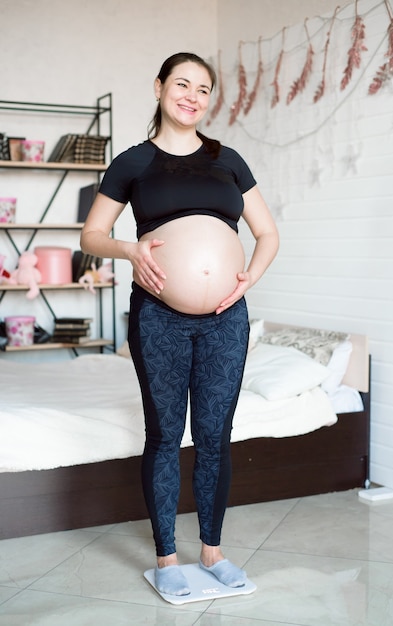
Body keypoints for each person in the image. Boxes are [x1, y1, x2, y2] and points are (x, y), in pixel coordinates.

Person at [80, 51, 279, 597]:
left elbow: (267, 234)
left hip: (225, 320)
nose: (193, 95)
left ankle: (212, 552)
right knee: (166, 435)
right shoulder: (133, 162)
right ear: (160, 87)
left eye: (204, 88)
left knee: (216, 436)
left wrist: (247, 279)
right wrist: (130, 247)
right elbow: (91, 235)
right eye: (182, 84)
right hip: (158, 317)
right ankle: (168, 559)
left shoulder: (229, 160)